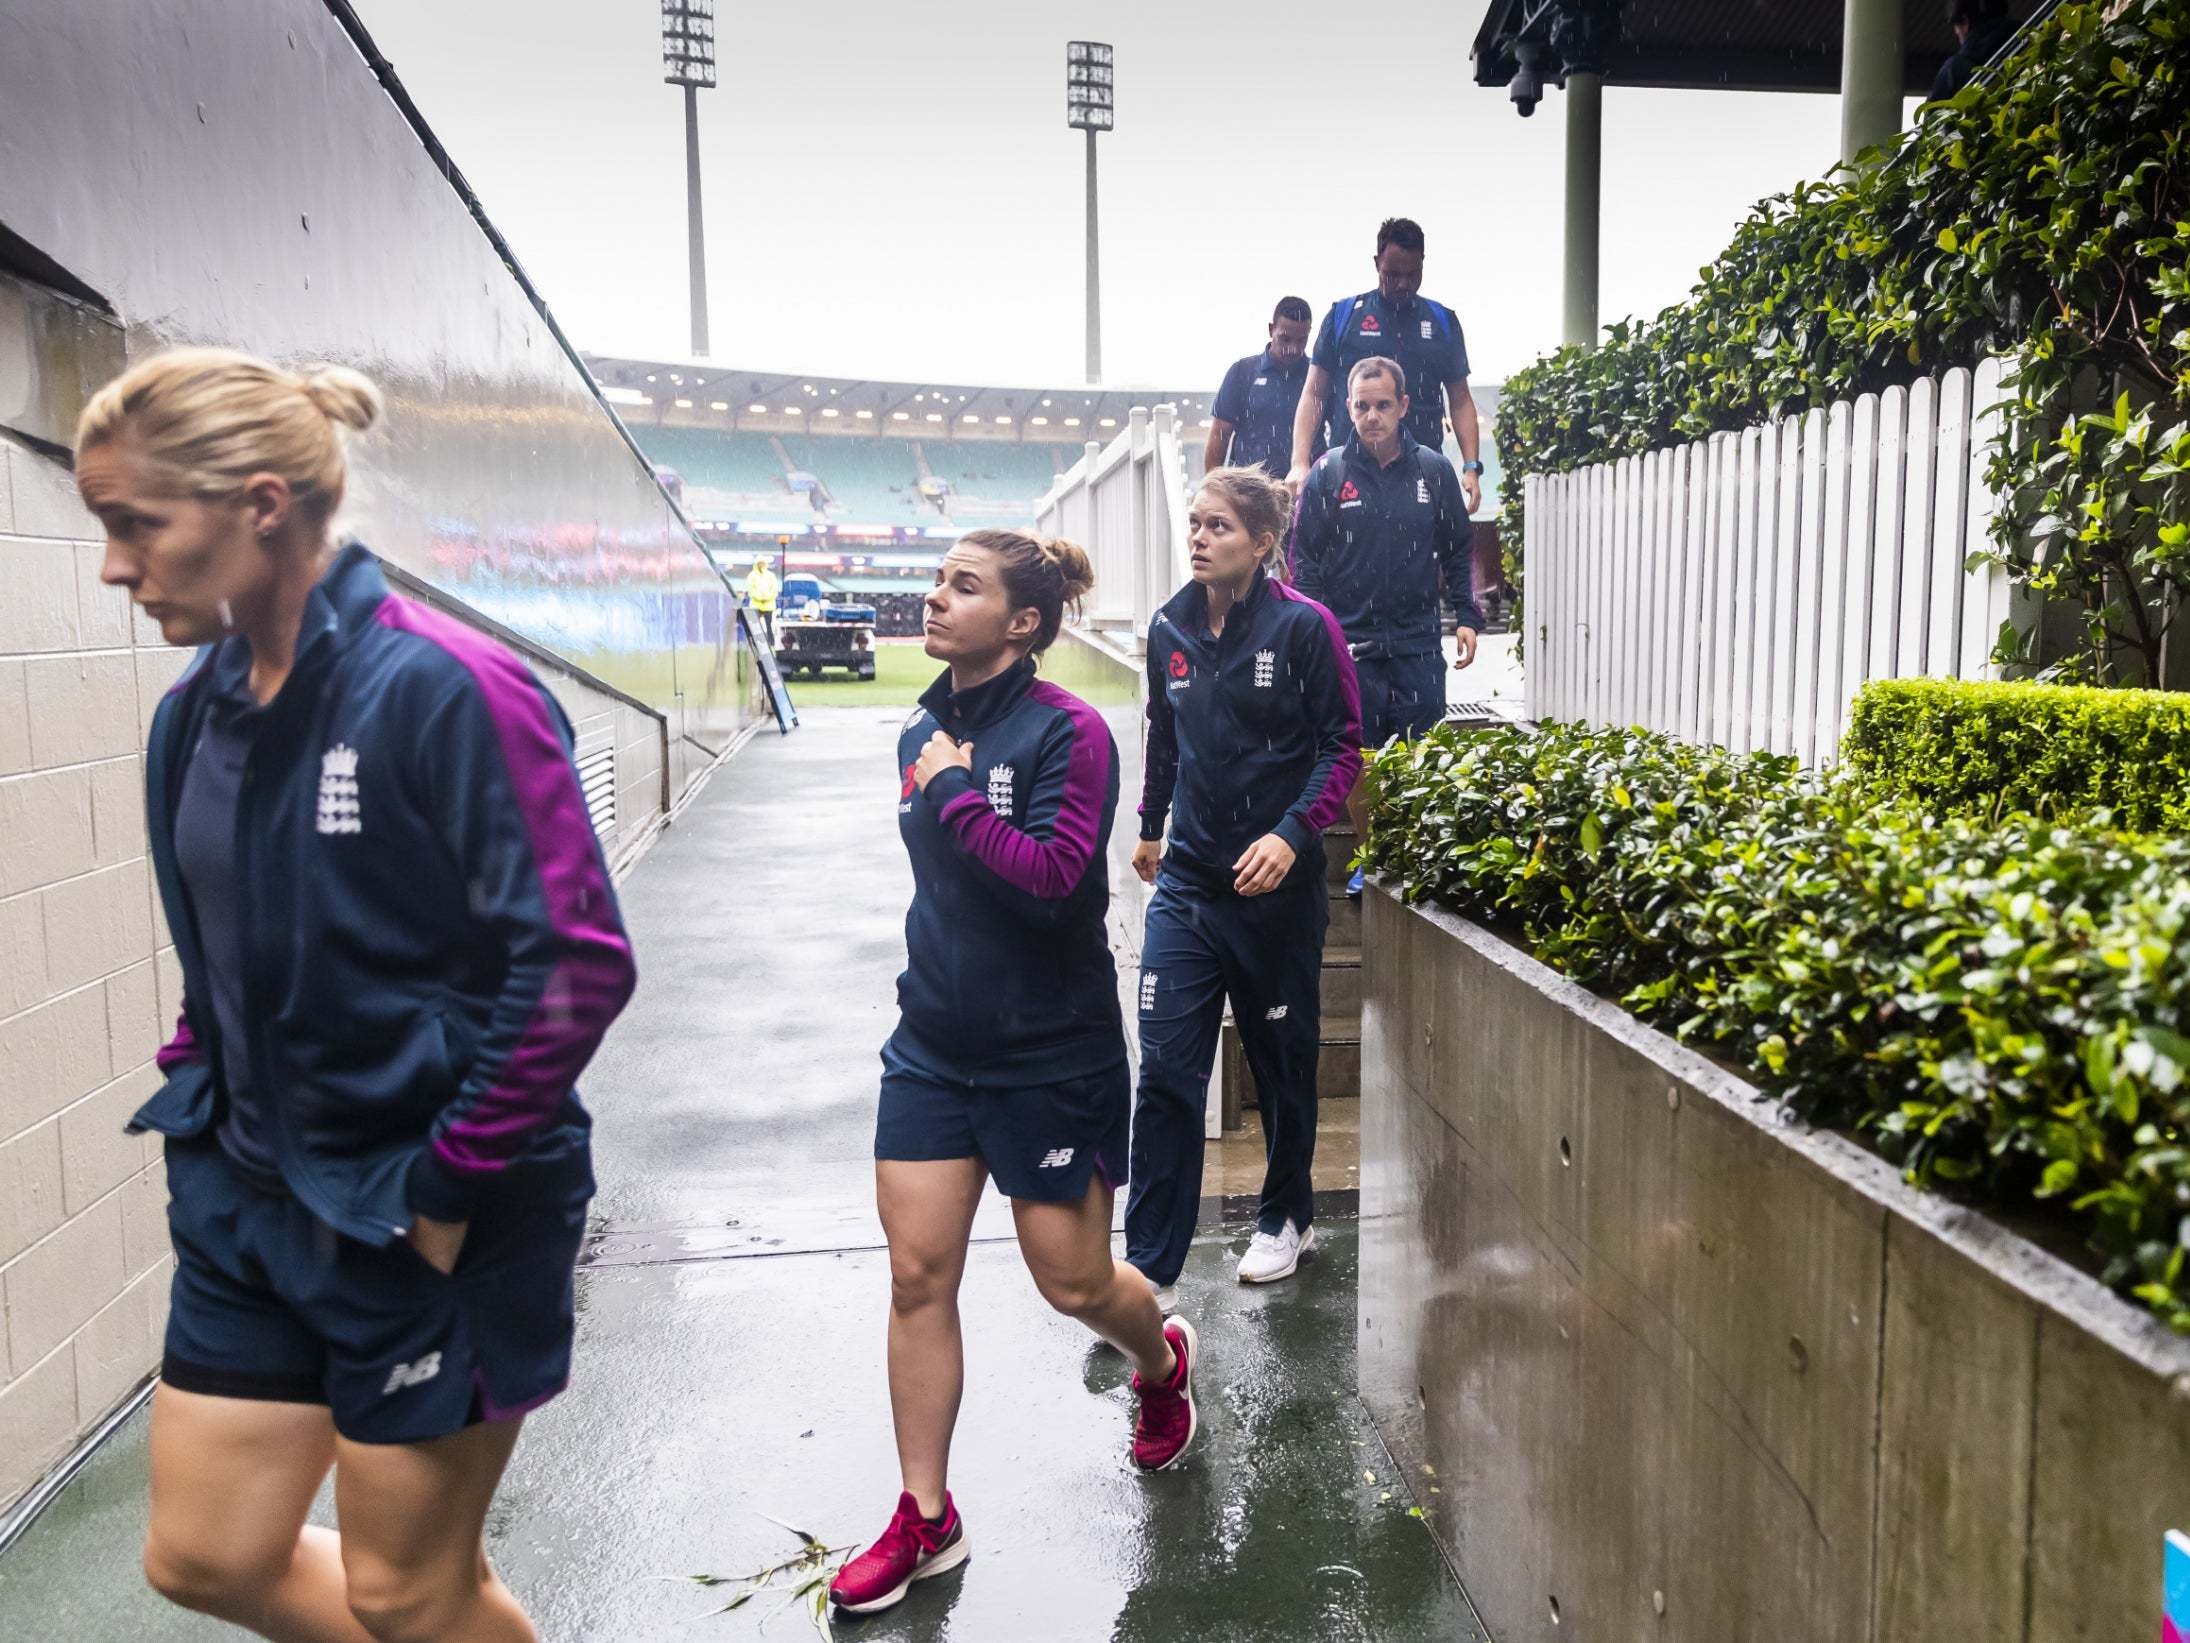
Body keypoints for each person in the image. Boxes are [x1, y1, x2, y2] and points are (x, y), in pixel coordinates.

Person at [73, 348, 637, 1642]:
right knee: (205, 1554)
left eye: (135, 524)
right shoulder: (190, 717)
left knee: (407, 1592)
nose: (115, 564)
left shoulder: (446, 687)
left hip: (427, 1210)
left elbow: (575, 961)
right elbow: (215, 961)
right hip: (251, 1198)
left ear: (261, 503)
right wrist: (204, 1110)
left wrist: (444, 1182)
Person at [829, 529, 1197, 1617]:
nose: (935, 597)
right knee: (915, 1274)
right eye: (939, 580)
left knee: (1074, 1283)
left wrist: (952, 792)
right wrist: (941, 778)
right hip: (934, 1046)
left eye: (963, 586)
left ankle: (1161, 1358)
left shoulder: (1070, 733)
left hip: (1051, 1054)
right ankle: (925, 1514)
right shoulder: (920, 725)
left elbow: (1045, 883)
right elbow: (943, 885)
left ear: (1024, 621)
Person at [1127, 468, 1362, 1303]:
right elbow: (1166, 737)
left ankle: (1285, 1216)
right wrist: (1152, 825)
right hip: (1190, 884)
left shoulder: (1305, 628)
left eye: (1218, 526)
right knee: (1164, 1070)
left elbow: (1343, 748)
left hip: (1274, 891)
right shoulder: (1169, 627)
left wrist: (1293, 835)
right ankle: (1150, 1262)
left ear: (1263, 542)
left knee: (1282, 1063)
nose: (1198, 537)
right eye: (1194, 523)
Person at [1293, 356, 1483, 896]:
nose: (1371, 416)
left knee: (1422, 752)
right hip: (1351, 645)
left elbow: (1457, 547)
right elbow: (1304, 562)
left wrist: (1467, 615)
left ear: (1403, 407)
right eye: (1361, 405)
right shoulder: (1329, 474)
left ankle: (1415, 854)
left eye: (1382, 405)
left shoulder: (1432, 470)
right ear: (1347, 408)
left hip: (1418, 641)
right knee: (1360, 756)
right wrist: (1315, 634)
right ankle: (1372, 856)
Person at [1285, 218, 1487, 519]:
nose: (1403, 284)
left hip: (1421, 473)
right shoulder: (1343, 317)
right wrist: (1299, 462)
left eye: (1412, 274)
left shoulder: (1443, 321)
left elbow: (1460, 400)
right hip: (1350, 471)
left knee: (1422, 563)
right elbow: (1314, 394)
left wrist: (1471, 467)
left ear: (1423, 263)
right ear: (1376, 262)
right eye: (1392, 274)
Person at [1206, 297, 1316, 480]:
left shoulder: (1317, 377)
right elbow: (1220, 433)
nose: (1293, 348)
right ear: (1271, 329)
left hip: (1303, 490)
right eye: (1285, 339)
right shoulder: (1242, 371)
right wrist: (1210, 487)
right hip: (1249, 490)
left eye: (1301, 340)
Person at [1930, 0, 2018, 100]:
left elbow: (1934, 113)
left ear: (1965, 21)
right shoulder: (2028, 42)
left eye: (1956, 26)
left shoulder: (1954, 69)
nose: (1956, 32)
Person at [745, 552, 781, 646]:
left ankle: (771, 643)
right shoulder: (752, 576)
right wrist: (760, 598)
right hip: (756, 605)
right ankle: (754, 643)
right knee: (755, 627)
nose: (761, 565)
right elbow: (750, 590)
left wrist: (766, 598)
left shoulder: (771, 576)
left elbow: (774, 590)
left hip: (768, 606)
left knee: (769, 626)